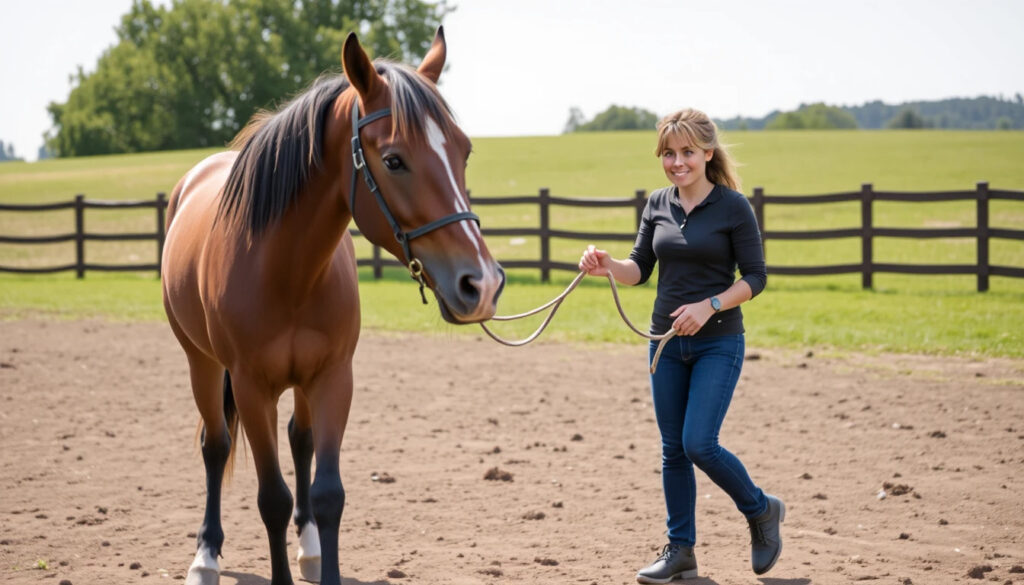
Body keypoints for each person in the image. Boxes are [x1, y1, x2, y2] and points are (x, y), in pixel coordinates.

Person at [578, 108, 783, 582]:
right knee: (673, 450)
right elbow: (638, 269)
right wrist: (608, 263)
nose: (677, 162)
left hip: (719, 343)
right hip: (664, 345)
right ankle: (681, 550)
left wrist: (710, 305)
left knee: (698, 444)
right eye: (669, 154)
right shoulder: (657, 204)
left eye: (687, 152)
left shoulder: (733, 207)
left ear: (707, 153)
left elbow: (755, 278)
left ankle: (760, 510)